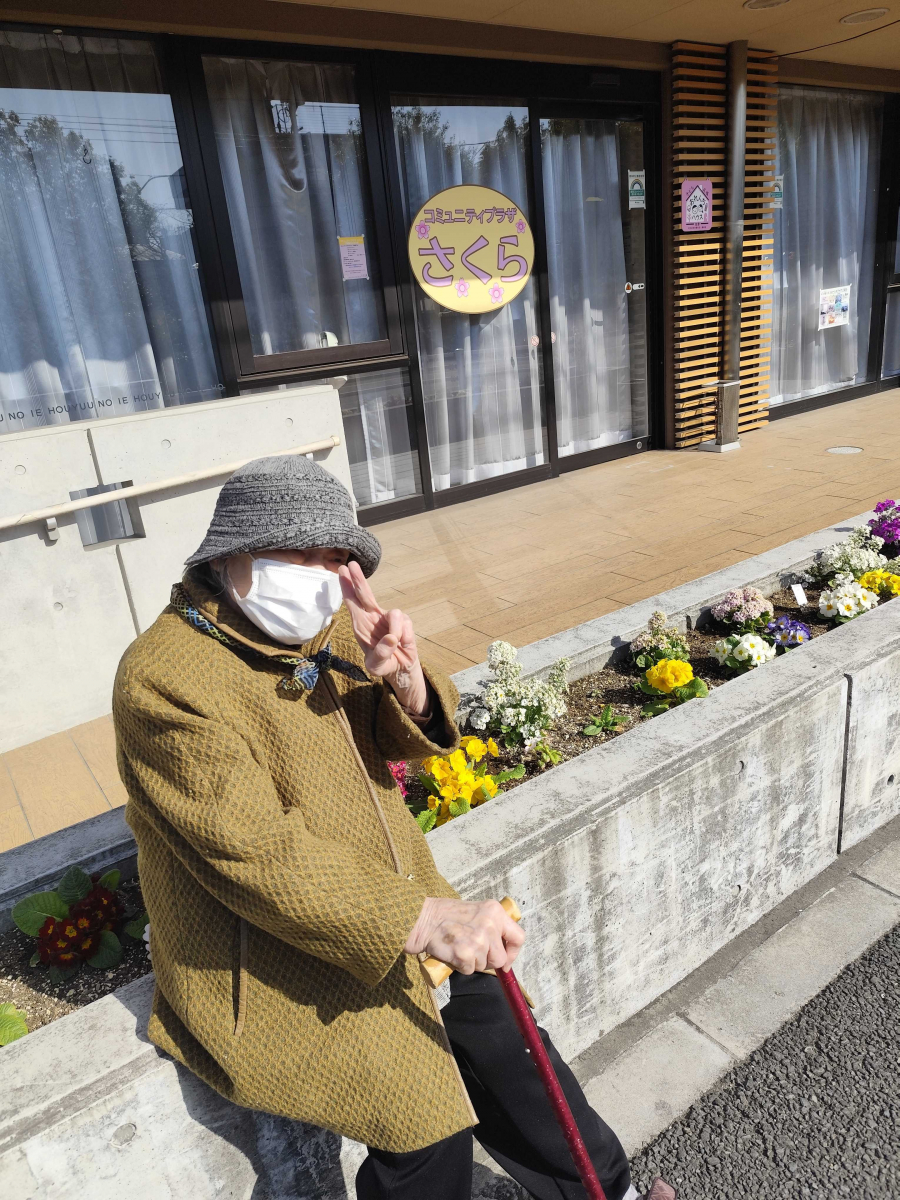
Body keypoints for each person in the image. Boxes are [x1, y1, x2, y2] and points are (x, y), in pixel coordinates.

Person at [113, 454, 673, 1200]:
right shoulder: (162, 676)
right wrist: (426, 919)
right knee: (422, 1117)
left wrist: (406, 684)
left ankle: (611, 1193)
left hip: (387, 899)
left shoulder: (327, 626)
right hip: (266, 947)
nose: (320, 576)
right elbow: (252, 852)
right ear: (230, 556)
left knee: (509, 1039)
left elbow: (396, 738)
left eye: (334, 557)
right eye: (299, 554)